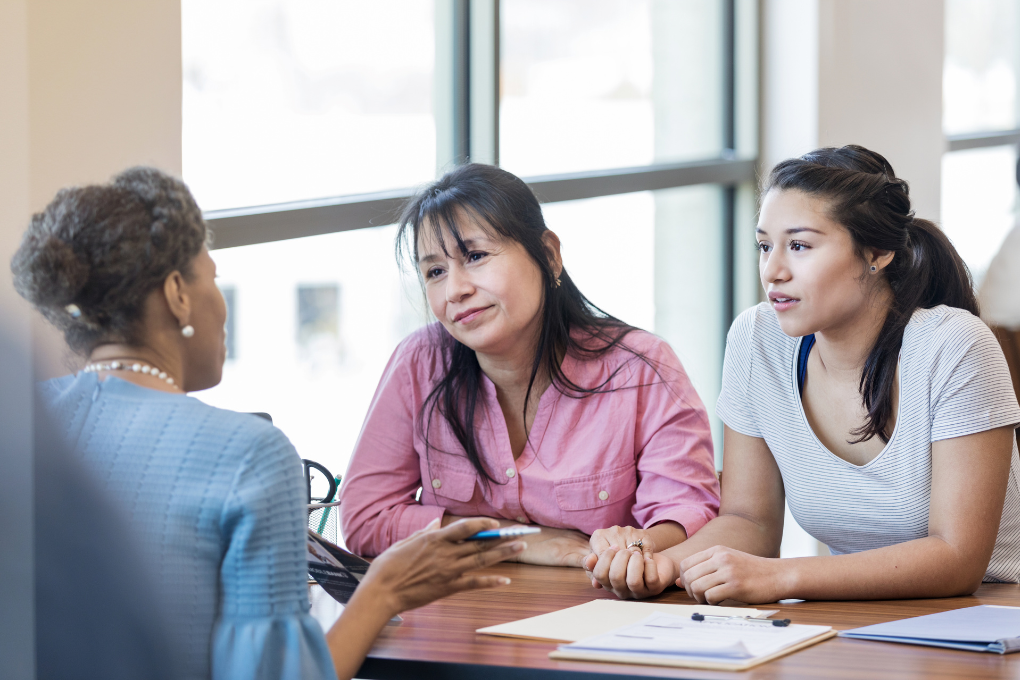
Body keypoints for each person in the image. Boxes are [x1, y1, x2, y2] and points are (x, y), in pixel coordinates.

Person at [12, 167, 524, 680]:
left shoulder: (25, 426)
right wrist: (384, 590)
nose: (221, 308)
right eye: (212, 278)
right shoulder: (247, 453)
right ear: (177, 295)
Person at [586, 145, 1020, 603]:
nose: (772, 271)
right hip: (864, 621)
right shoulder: (757, 339)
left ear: (877, 251)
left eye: (799, 246)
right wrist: (665, 566)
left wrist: (782, 577)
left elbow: (957, 559)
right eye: (764, 245)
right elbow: (749, 521)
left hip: (993, 617)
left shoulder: (954, 346)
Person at [338, 163, 720, 569]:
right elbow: (365, 521)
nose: (455, 290)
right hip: (462, 621)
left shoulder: (641, 368)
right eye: (435, 271)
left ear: (549, 255)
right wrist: (519, 541)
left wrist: (634, 550)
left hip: (599, 611)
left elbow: (688, 515)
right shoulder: (421, 361)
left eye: (476, 256)